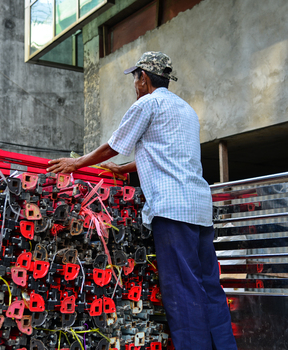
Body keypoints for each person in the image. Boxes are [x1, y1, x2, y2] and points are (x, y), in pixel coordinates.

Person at [47, 51, 237, 350]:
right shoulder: (186, 109)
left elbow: (114, 144)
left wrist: (77, 164)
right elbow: (167, 153)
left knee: (183, 289)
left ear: (143, 78)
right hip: (200, 208)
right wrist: (124, 170)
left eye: (135, 79)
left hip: (172, 209)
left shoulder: (147, 103)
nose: (135, 86)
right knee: (210, 286)